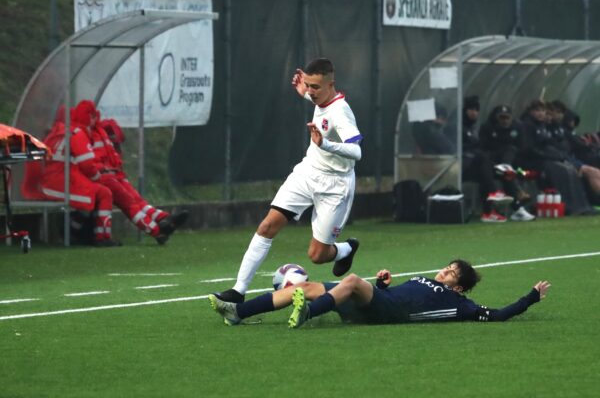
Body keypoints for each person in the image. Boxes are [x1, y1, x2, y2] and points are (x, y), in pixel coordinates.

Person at [215, 58, 363, 303]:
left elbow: (357, 151)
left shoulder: (341, 111)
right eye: (308, 85)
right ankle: (238, 290)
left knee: (317, 255)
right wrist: (303, 93)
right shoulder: (321, 98)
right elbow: (316, 99)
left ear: (331, 84)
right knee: (267, 226)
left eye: (315, 87)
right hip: (307, 173)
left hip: (335, 185)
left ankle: (346, 249)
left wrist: (324, 144)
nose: (311, 91)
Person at [208, 259, 551, 327]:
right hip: (381, 301)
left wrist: (531, 297)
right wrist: (384, 283)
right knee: (305, 287)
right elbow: (401, 292)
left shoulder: (460, 304)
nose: (443, 272)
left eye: (451, 273)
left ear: (458, 286)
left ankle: (309, 313)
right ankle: (238, 312)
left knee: (354, 280)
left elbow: (500, 314)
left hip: (387, 314)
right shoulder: (422, 278)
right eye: (446, 267)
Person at [93, 116, 189, 244]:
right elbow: (90, 163)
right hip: (104, 177)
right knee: (130, 204)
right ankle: (158, 231)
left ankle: (164, 219)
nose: (116, 145)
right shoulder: (88, 134)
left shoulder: (98, 133)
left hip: (114, 175)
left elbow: (111, 161)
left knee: (137, 200)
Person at [40, 101, 120, 246]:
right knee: (103, 193)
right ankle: (102, 237)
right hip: (61, 182)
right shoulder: (76, 133)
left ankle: (73, 231)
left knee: (91, 194)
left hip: (48, 181)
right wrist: (97, 178)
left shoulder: (54, 132)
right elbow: (87, 165)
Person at [479, 105, 536, 221]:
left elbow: (522, 148)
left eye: (507, 118)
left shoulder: (518, 127)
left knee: (509, 166)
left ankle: (517, 210)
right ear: (497, 118)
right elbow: (483, 147)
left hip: (514, 165)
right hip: (492, 164)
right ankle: (517, 205)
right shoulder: (488, 127)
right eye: (502, 117)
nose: (504, 120)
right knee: (507, 172)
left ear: (511, 118)